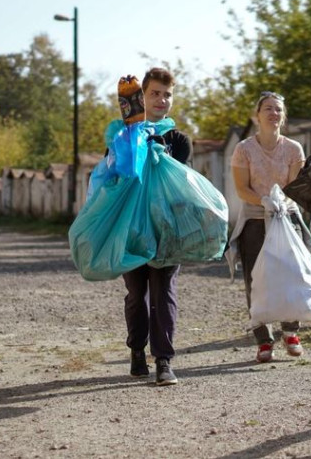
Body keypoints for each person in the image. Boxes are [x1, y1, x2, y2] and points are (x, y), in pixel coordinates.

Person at [120, 67, 193, 386]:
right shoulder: (123, 134)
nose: (162, 100)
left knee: (163, 293)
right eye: (155, 93)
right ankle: (137, 350)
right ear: (142, 97)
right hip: (133, 229)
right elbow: (116, 178)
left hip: (167, 231)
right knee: (137, 294)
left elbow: (183, 184)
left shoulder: (178, 139)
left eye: (167, 94)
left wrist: (162, 156)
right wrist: (131, 141)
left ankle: (163, 360)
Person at [229, 91, 311, 363]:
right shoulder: (243, 149)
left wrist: (279, 203)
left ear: (282, 116)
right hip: (254, 218)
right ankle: (264, 340)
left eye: (277, 109)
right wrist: (264, 201)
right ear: (257, 115)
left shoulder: (293, 149)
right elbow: (242, 188)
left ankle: (291, 331)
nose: (273, 113)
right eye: (267, 108)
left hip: (286, 217)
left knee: (292, 274)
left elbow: (295, 186)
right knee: (256, 280)